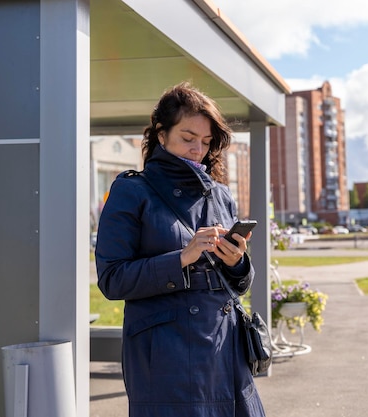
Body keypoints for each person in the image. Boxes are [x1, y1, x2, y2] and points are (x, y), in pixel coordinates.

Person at [95, 82, 266, 417]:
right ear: (161, 134)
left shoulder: (220, 195)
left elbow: (238, 286)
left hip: (225, 353)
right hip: (167, 361)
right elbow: (112, 279)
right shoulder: (131, 191)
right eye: (188, 138)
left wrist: (237, 263)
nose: (197, 149)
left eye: (205, 142)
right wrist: (182, 258)